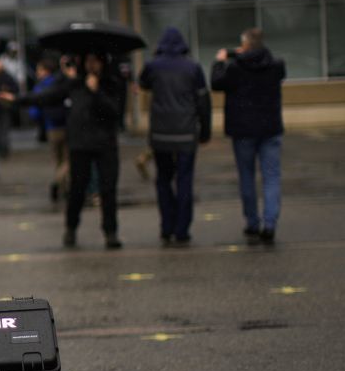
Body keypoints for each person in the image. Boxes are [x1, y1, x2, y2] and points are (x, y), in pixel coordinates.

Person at [22, 52, 124, 248]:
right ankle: (71, 228)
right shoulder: (74, 84)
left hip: (106, 145)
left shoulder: (111, 83)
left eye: (96, 60)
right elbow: (47, 96)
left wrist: (96, 92)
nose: (92, 65)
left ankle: (110, 232)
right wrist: (19, 99)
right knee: (77, 190)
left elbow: (114, 112)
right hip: (80, 144)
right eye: (89, 60)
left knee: (108, 190)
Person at [213, 27, 286, 245]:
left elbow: (216, 83)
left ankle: (253, 222)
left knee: (246, 176)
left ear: (245, 45)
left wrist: (220, 61)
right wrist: (244, 54)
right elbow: (265, 63)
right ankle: (270, 222)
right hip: (270, 129)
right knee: (271, 176)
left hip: (243, 131)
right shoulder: (276, 66)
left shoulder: (235, 68)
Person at [139, 27, 211, 246]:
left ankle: (166, 225)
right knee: (185, 180)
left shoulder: (153, 66)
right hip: (186, 133)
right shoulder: (193, 68)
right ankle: (182, 228)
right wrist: (204, 131)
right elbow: (203, 103)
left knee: (163, 179)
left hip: (161, 134)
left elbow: (142, 84)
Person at [29, 56, 70, 202]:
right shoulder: (60, 83)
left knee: (58, 160)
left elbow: (34, 110)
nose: (37, 72)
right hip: (64, 125)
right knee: (67, 160)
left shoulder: (41, 87)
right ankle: (60, 185)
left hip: (51, 127)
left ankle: (61, 186)